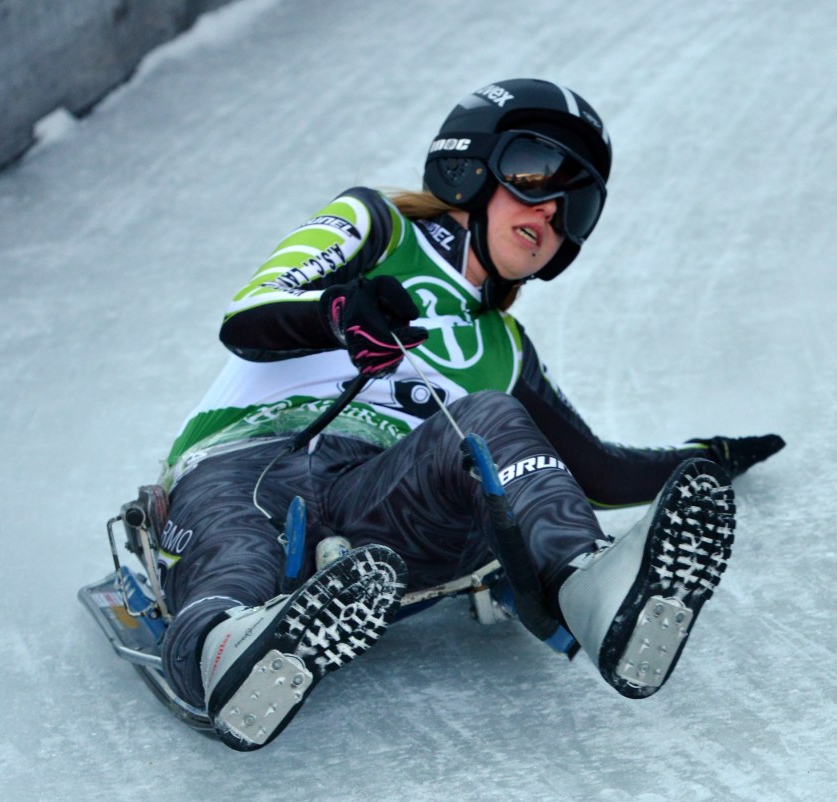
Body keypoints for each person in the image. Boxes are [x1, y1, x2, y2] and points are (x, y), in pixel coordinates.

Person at [151, 78, 784, 751]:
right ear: (470, 163)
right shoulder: (377, 225)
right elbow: (248, 317)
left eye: (577, 207)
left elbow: (597, 472)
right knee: (239, 550)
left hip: (379, 502)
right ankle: (228, 646)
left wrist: (706, 458)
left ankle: (591, 593)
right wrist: (339, 312)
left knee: (489, 420)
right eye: (535, 173)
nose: (550, 212)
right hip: (246, 463)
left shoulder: (505, 351)